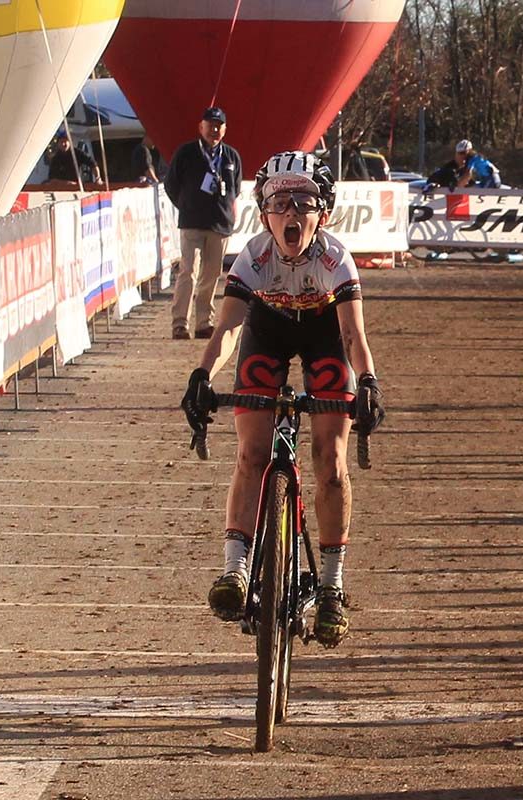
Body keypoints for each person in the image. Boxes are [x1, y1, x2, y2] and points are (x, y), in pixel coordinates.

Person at [180, 151, 385, 647]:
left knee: (330, 461)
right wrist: (202, 373)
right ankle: (236, 570)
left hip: (324, 336)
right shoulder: (254, 256)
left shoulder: (335, 259)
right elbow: (229, 325)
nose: (291, 213)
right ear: (264, 212)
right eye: (279, 202)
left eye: (304, 202)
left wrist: (369, 381)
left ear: (324, 214)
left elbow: (353, 335)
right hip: (266, 332)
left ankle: (333, 587)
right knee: (251, 452)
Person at [164, 107, 243, 340]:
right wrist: (186, 205)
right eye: (210, 125)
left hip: (220, 224)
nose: (214, 130)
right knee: (188, 271)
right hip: (192, 223)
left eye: (219, 126)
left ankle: (203, 323)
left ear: (225, 129)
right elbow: (171, 184)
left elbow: (235, 190)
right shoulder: (187, 153)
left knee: (211, 275)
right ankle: (180, 323)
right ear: (201, 127)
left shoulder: (231, 156)